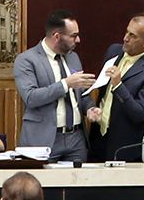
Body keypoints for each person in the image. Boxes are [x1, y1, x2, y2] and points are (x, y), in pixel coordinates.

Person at [14, 10, 98, 163]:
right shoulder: (26, 60)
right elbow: (31, 97)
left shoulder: (73, 57)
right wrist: (66, 84)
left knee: (78, 178)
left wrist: (90, 108)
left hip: (76, 138)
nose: (78, 40)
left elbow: (81, 93)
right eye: (73, 36)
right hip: (43, 139)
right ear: (57, 36)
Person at [86, 12, 144, 163]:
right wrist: (96, 108)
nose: (125, 38)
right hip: (98, 137)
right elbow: (103, 90)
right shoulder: (114, 51)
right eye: (127, 32)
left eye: (133, 36)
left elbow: (139, 114)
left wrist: (119, 86)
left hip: (123, 145)